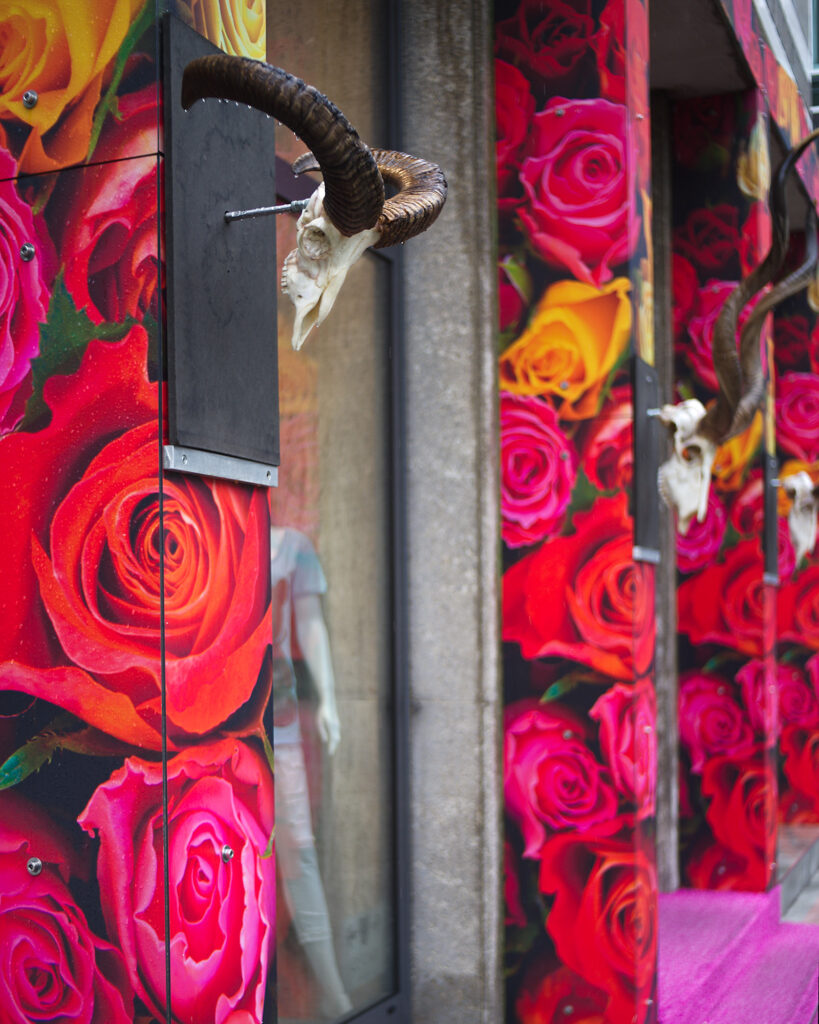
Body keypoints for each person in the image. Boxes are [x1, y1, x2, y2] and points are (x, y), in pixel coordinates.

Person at [271, 526, 352, 1019]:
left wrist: (330, 700)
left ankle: (335, 993)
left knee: (298, 853)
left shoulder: (292, 546)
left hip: (276, 720)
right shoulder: (208, 528)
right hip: (215, 721)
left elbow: (310, 624)